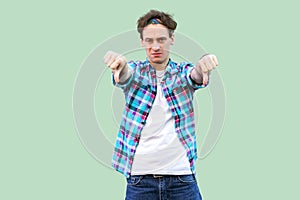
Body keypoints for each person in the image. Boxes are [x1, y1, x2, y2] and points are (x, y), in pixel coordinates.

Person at [103, 9, 218, 200]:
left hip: (182, 178)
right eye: (149, 40)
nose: (155, 46)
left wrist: (202, 65)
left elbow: (195, 76)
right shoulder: (136, 72)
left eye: (161, 39)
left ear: (172, 39)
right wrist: (120, 65)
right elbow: (124, 75)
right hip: (140, 180)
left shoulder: (182, 72)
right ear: (142, 42)